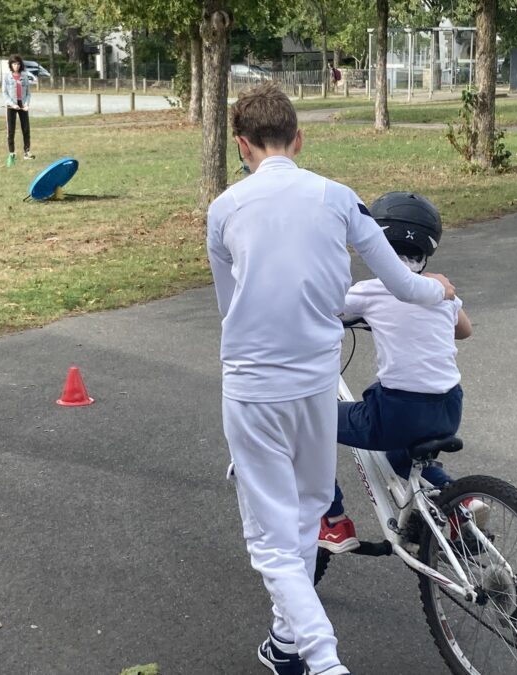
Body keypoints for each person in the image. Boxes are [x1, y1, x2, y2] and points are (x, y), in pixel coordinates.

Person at [206, 82, 454, 675]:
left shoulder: (224, 210)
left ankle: (322, 659)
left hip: (253, 388)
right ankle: (288, 645)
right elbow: (403, 284)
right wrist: (439, 289)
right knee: (308, 511)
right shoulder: (340, 198)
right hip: (316, 386)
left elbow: (229, 304)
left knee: (271, 539)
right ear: (299, 138)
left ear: (242, 146)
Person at [316, 192, 474, 554]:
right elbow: (464, 331)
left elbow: (323, 307)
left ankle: (333, 519)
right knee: (402, 455)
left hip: (399, 413)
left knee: (307, 421)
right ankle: (458, 503)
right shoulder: (439, 288)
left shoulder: (372, 291)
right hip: (448, 408)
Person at [2, 54, 34, 161]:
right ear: (11, 65)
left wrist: (26, 104)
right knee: (11, 130)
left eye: (18, 64)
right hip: (11, 105)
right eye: (14, 64)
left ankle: (27, 152)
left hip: (22, 104)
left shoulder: (24, 76)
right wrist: (12, 104)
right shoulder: (7, 76)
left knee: (26, 129)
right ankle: (12, 153)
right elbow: (4, 93)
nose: (16, 66)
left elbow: (28, 93)